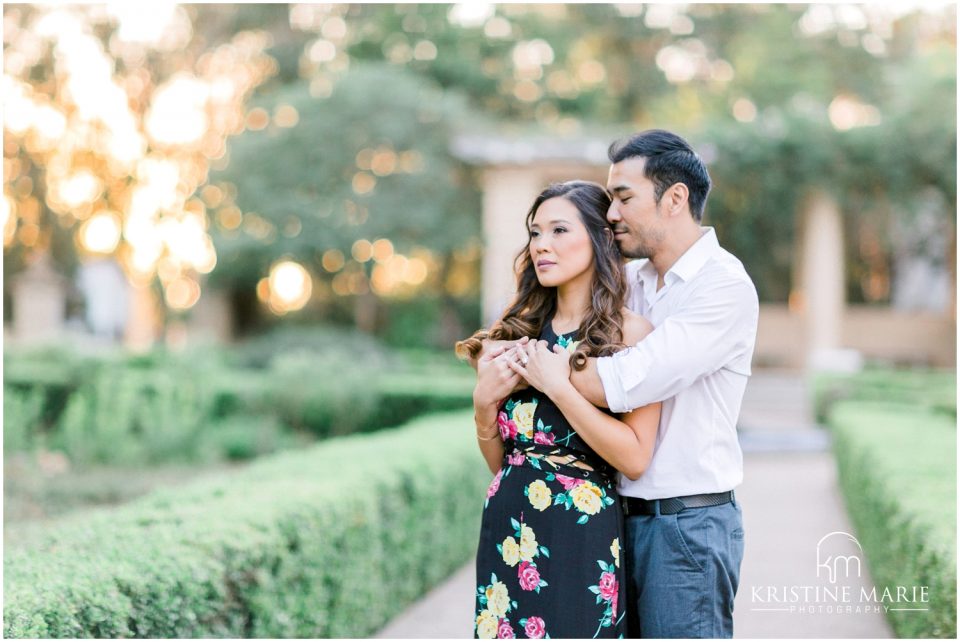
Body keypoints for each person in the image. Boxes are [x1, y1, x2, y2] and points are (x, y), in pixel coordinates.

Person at [546, 130, 760, 638]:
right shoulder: (630, 284)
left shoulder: (723, 287)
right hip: (616, 521)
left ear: (675, 199)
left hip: (687, 530)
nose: (611, 214)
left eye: (624, 198)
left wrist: (550, 362)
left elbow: (620, 383)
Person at [456, 181, 662, 639]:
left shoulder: (632, 336)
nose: (541, 245)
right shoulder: (514, 333)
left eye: (559, 230)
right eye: (534, 232)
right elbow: (505, 464)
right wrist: (482, 405)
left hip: (581, 533)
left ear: (599, 237)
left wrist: (559, 385)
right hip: (509, 532)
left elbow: (633, 458)